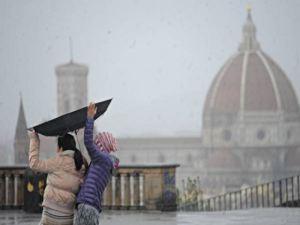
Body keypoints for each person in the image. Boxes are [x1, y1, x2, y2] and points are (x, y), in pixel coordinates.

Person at [28, 131, 87, 225]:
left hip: (50, 214)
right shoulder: (81, 165)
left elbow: (34, 164)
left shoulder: (57, 162)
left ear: (61, 147)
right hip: (68, 216)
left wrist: (34, 139)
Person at [75, 102, 119, 225]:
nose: (96, 144)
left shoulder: (102, 158)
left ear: (102, 144)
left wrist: (90, 118)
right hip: (92, 207)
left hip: (86, 206)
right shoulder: (106, 162)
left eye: (98, 142)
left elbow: (88, 142)